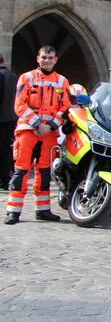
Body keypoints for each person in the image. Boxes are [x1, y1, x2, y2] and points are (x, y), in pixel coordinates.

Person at [5, 46, 71, 224]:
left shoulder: (63, 81)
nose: (47, 61)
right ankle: (13, 211)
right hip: (27, 130)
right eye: (44, 57)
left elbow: (65, 107)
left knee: (44, 173)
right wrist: (36, 123)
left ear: (55, 59)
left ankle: (42, 210)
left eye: (50, 58)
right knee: (21, 171)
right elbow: (19, 105)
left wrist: (50, 125)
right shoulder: (26, 78)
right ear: (38, 58)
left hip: (49, 133)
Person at [0, 54, 17, 190]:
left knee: (2, 150)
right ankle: (6, 179)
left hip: (1, 118)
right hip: (11, 117)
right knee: (6, 149)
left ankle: (3, 179)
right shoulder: (13, 76)